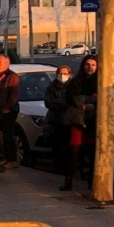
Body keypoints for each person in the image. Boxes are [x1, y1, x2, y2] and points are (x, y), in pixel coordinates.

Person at [60, 55, 98, 192]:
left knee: (93, 153)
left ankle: (91, 182)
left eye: (93, 65)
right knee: (74, 152)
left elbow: (104, 98)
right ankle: (68, 180)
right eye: (88, 64)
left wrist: (92, 104)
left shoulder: (99, 81)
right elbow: (71, 98)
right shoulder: (76, 81)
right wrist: (89, 100)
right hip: (77, 120)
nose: (90, 67)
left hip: (93, 121)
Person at [0, 53, 21, 170]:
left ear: (7, 64)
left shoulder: (12, 77)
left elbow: (14, 95)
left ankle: (12, 159)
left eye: (0, 62)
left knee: (8, 135)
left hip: (8, 111)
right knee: (0, 135)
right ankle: (4, 157)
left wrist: (7, 108)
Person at [44, 65, 72, 176]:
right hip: (55, 122)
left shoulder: (72, 87)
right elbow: (48, 103)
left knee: (67, 149)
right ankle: (58, 170)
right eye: (60, 73)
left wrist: (59, 103)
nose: (62, 76)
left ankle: (67, 171)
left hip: (68, 121)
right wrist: (61, 104)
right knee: (56, 148)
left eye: (65, 74)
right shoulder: (51, 87)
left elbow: (70, 103)